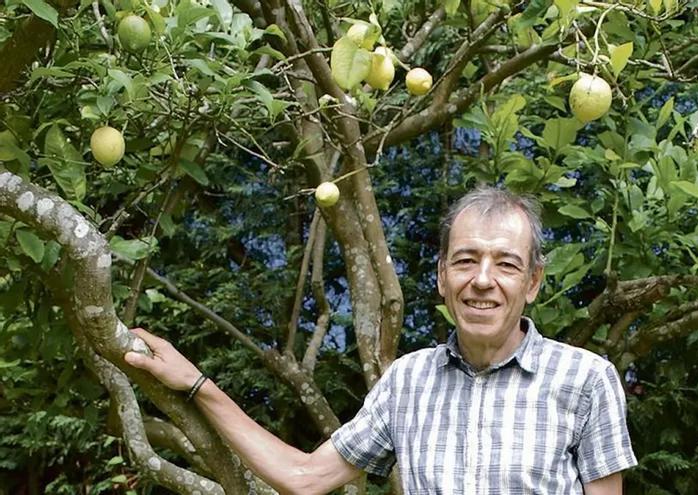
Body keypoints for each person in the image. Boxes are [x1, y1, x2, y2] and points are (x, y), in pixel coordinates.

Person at [125, 186, 638, 494]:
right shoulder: (408, 381)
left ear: (532, 282)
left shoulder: (586, 380)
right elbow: (304, 478)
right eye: (465, 260)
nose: (483, 280)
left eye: (506, 264)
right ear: (441, 277)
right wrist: (196, 384)